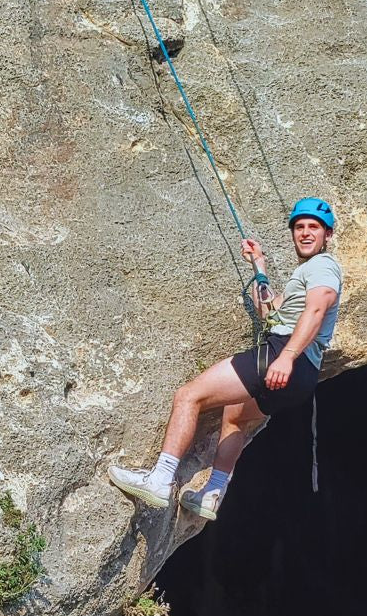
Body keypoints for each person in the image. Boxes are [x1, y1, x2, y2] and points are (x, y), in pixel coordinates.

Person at [108, 198, 342, 521]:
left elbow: (317, 310)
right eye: (299, 227)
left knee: (189, 396)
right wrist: (258, 267)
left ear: (327, 234)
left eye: (313, 228)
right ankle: (212, 494)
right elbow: (270, 311)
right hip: (302, 377)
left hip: (284, 355)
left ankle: (160, 479)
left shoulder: (324, 267)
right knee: (235, 415)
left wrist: (286, 357)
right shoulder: (304, 274)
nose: (304, 233)